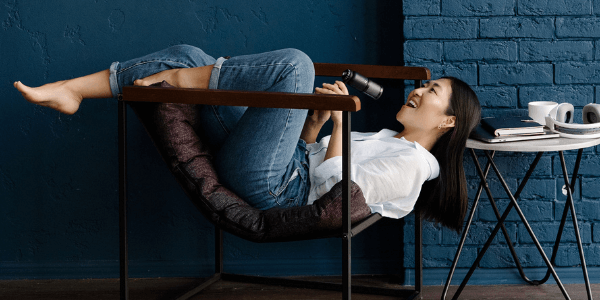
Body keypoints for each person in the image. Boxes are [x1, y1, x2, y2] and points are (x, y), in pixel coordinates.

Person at [13, 45, 481, 232]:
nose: (419, 90)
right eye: (425, 84)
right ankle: (75, 90)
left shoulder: (413, 165)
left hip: (275, 190)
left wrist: (339, 123)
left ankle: (179, 78)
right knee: (192, 53)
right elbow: (317, 156)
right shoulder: (390, 139)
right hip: (284, 167)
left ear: (448, 123)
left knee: (295, 65)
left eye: (432, 91)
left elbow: (333, 189)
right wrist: (317, 123)